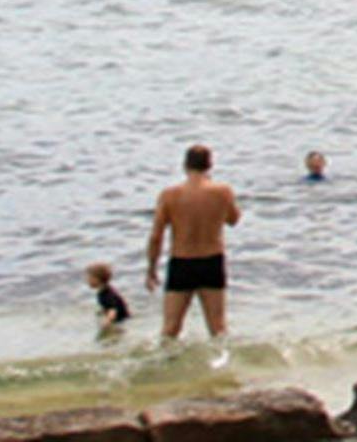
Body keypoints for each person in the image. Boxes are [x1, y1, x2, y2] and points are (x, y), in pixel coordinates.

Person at [145, 143, 241, 338]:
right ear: (210, 165)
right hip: (212, 259)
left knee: (170, 327)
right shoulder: (223, 191)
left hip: (182, 262)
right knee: (218, 327)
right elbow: (233, 219)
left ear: (185, 165)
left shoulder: (169, 194)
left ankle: (166, 365)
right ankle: (223, 364)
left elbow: (156, 236)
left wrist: (151, 268)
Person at [85, 261, 130, 332]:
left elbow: (113, 311)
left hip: (120, 320)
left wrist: (106, 323)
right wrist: (102, 311)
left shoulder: (106, 294)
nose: (87, 280)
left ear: (97, 279)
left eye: (89, 278)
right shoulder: (104, 290)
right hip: (122, 318)